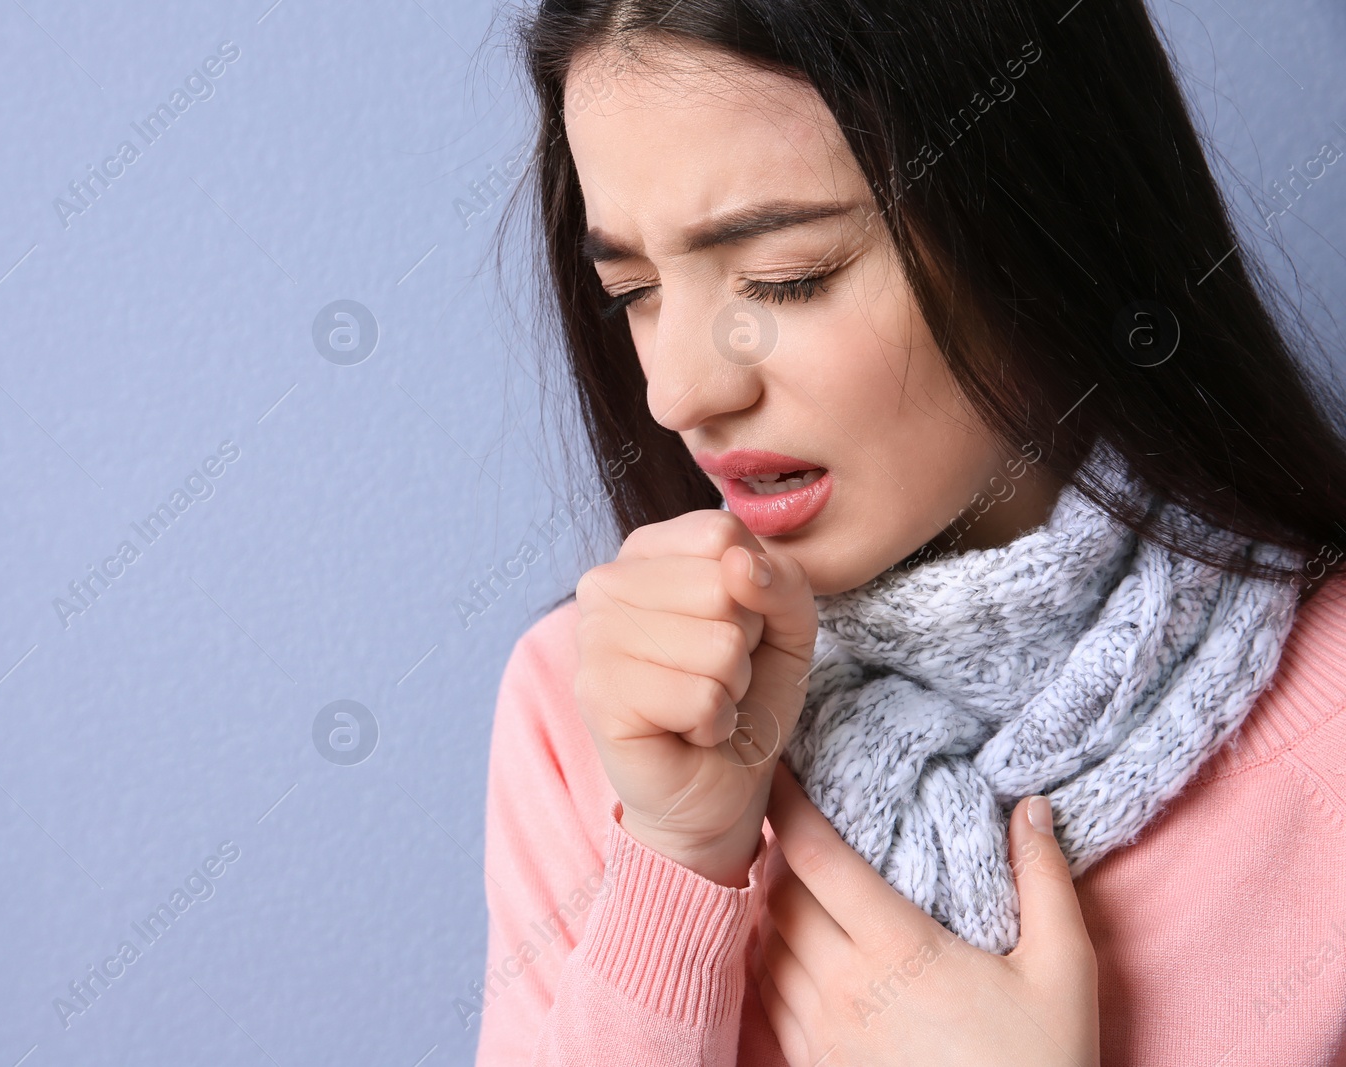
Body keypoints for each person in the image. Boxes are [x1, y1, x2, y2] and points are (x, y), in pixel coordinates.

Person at [473, 1, 1346, 1064]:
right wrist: (673, 860)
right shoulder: (592, 706)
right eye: (631, 292)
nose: (678, 390)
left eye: (784, 276)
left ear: (1043, 220)